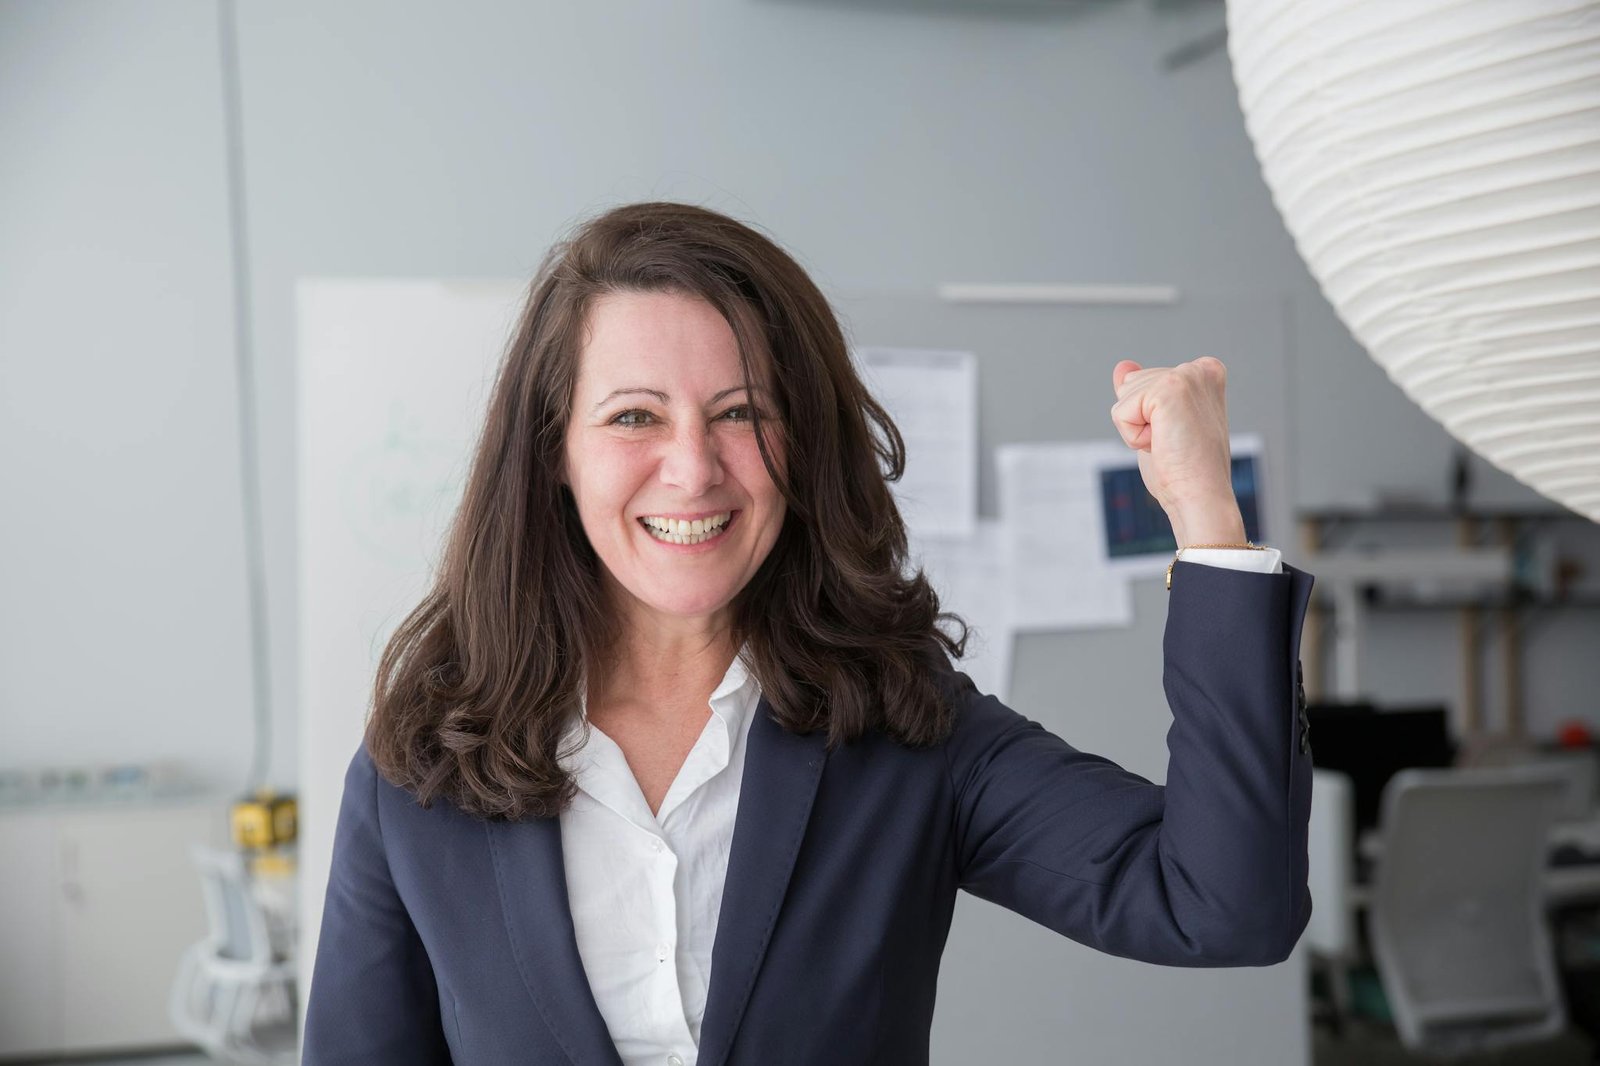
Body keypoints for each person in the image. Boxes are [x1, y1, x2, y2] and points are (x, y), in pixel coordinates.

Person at [301, 201, 1315, 1066]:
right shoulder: (422, 773)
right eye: (634, 417)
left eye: (741, 412)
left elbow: (1224, 905)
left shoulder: (908, 732)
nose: (693, 469)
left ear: (803, 441)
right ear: (554, 454)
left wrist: (1203, 516)